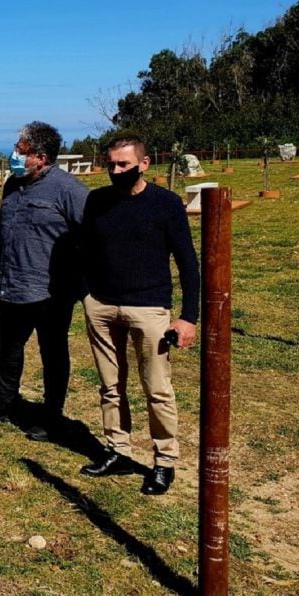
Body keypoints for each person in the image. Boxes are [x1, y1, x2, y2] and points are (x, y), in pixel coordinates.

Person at [78, 134, 199, 495]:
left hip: (149, 308)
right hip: (101, 305)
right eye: (111, 164)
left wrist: (188, 316)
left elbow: (188, 263)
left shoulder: (165, 204)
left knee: (157, 388)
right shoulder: (97, 201)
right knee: (111, 386)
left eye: (124, 165)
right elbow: (84, 249)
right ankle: (118, 449)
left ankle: (164, 461)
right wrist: (86, 293)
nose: (115, 171)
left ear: (144, 164)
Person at [0, 122, 88, 442]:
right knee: (8, 349)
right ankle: (4, 403)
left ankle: (52, 415)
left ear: (40, 157)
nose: (13, 155)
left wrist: (75, 279)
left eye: (19, 151)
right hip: (11, 284)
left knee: (53, 353)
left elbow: (90, 236)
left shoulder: (70, 190)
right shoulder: (13, 184)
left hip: (50, 291)